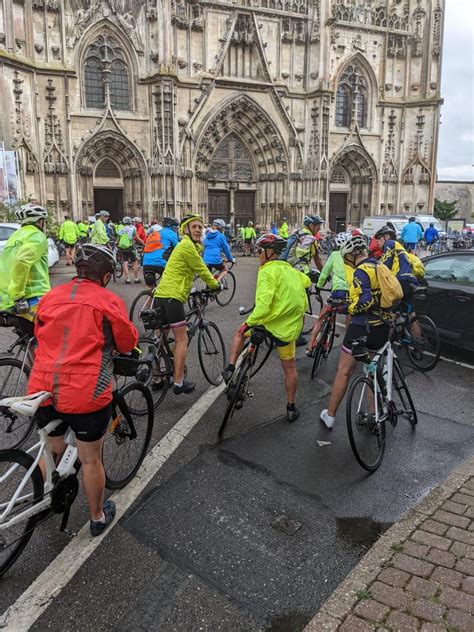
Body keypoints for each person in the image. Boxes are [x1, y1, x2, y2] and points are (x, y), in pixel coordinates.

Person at [27, 243, 138, 536]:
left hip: (43, 387)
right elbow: (127, 343)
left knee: (52, 448)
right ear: (105, 275)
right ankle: (97, 517)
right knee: (91, 459)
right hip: (85, 393)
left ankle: (43, 500)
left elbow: (39, 333)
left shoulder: (51, 296)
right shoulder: (107, 301)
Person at [223, 233, 310, 422]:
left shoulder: (266, 271)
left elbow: (263, 305)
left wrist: (250, 321)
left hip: (268, 323)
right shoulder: (293, 271)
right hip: (288, 330)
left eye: (260, 251)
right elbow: (307, 281)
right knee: (289, 368)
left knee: (241, 333)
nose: (258, 255)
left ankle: (230, 368)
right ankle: (291, 407)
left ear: (270, 252)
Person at [320, 235, 391, 430]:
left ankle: (330, 415)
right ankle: (374, 415)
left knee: (344, 371)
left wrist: (347, 309)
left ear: (352, 255)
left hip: (361, 327)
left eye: (346, 258)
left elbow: (365, 300)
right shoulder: (380, 266)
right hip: (382, 327)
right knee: (371, 373)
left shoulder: (361, 271)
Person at [154, 214, 220, 395]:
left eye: (200, 227)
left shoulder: (185, 246)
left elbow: (188, 271)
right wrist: (216, 285)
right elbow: (202, 269)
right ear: (186, 230)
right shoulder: (187, 246)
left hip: (161, 295)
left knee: (160, 339)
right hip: (173, 297)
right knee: (181, 339)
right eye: (194, 227)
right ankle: (178, 382)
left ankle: (157, 377)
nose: (198, 230)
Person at [0, 203, 50, 326]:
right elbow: (22, 261)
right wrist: (18, 296)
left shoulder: (15, 236)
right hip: (32, 298)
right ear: (40, 222)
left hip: (9, 300)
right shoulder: (37, 236)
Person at [305, 232, 352, 356]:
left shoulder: (335, 255)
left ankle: (310, 345)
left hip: (337, 292)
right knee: (349, 317)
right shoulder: (352, 256)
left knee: (322, 317)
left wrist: (319, 287)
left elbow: (324, 273)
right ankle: (347, 345)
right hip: (350, 293)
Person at [142, 217, 180, 288]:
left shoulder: (155, 233)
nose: (177, 229)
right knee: (171, 285)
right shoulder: (171, 233)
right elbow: (179, 248)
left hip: (146, 262)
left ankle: (150, 297)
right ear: (172, 227)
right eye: (176, 227)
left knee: (150, 289)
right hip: (161, 263)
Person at [117, 216, 144, 284]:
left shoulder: (121, 229)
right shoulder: (132, 229)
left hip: (122, 248)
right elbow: (137, 238)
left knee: (125, 263)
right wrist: (144, 244)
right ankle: (136, 279)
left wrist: (116, 244)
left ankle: (128, 279)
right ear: (130, 222)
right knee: (134, 262)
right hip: (130, 248)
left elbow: (117, 240)